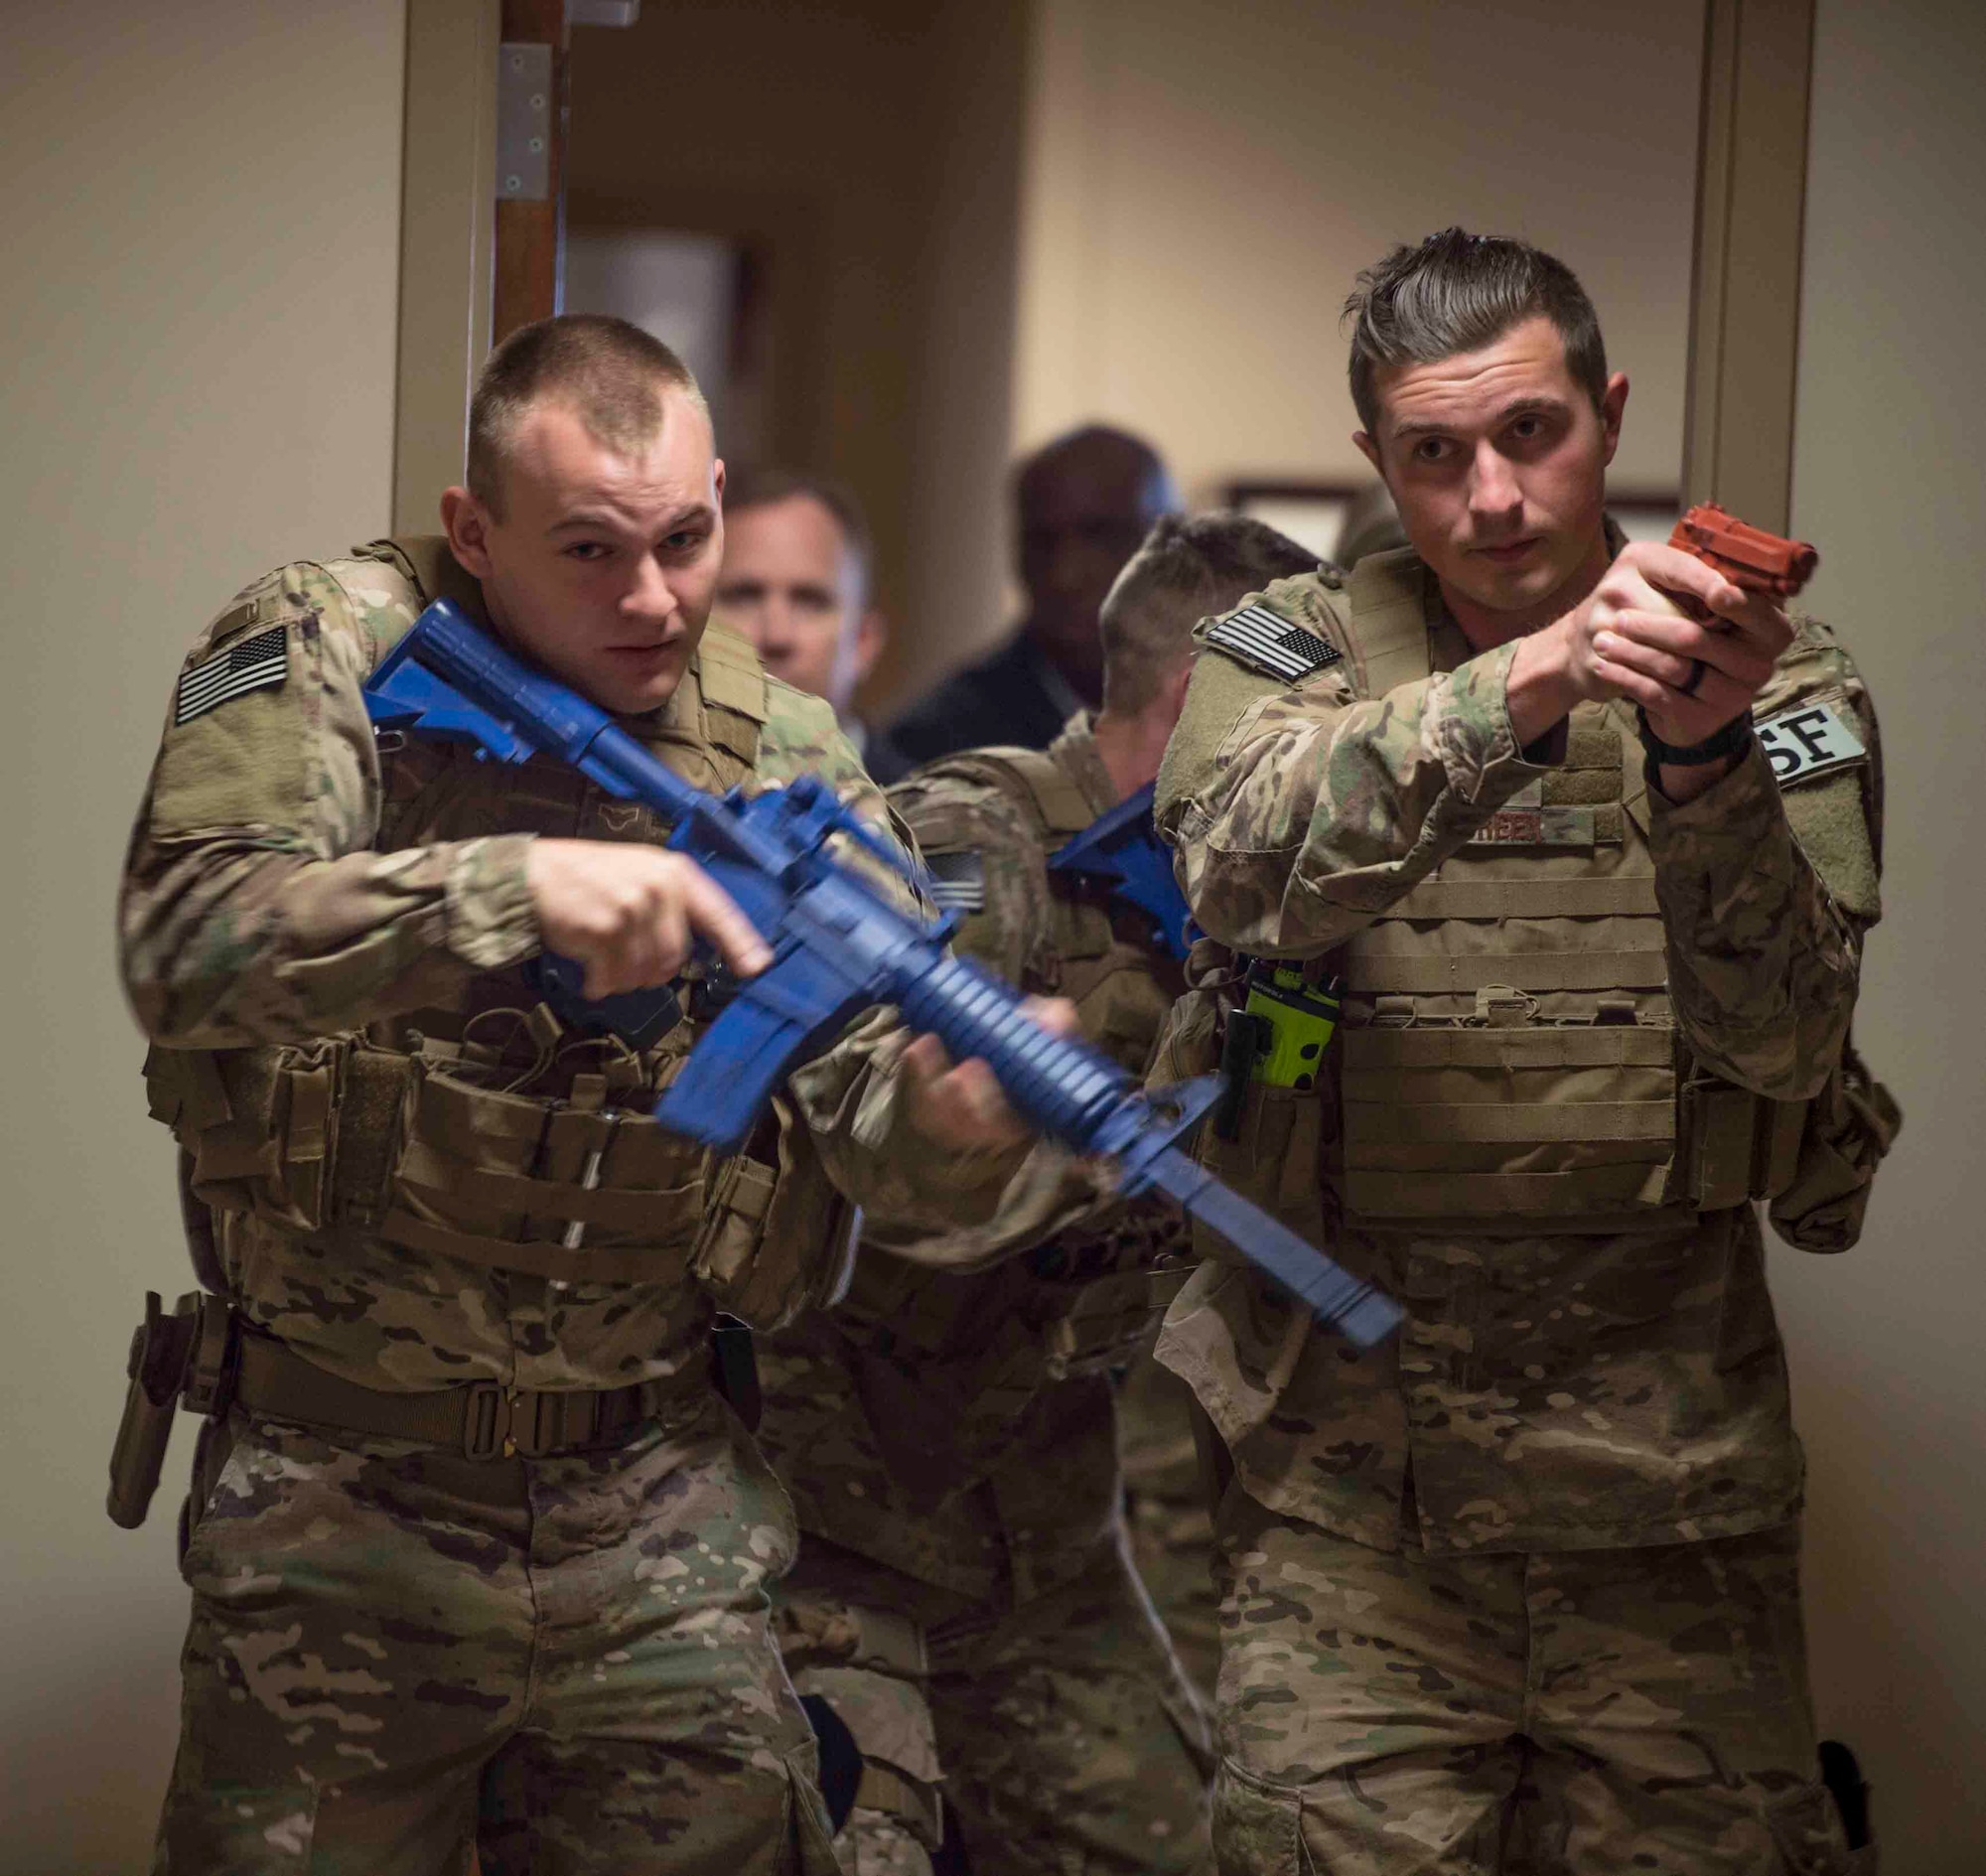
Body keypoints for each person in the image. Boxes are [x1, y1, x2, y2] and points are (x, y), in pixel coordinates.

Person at [117, 313, 1094, 1876]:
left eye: (686, 539)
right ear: (473, 531)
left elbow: (875, 1141)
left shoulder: (781, 746)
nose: (655, 600)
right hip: (339, 1509)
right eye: (588, 550)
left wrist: (955, 1125)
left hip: (658, 1511)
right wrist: (506, 891)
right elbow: (187, 941)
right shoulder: (331, 643)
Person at [1153, 229, 1887, 1873]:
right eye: (1435, 453)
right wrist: (1533, 682)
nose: (1490, 496)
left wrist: (1702, 777)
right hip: (1349, 1508)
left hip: (1670, 1508)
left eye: (1529, 434)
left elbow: (1790, 1035)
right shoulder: (1290, 648)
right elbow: (1229, 867)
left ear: (1608, 414)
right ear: (1375, 461)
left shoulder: (1781, 676)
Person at [757, 513, 1320, 1876]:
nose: (1334, 770)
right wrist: (1026, 1128)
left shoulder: (1252, 912)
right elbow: (896, 1188)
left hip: (1048, 1548)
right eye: (1318, 720)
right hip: (835, 1537)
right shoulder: (970, 839)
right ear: (1208, 700)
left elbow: (1271, 1155)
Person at [883, 425, 1176, 765]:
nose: (1066, 574)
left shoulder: (1235, 708)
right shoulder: (939, 744)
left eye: (1103, 536)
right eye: (1042, 543)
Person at [714, 466, 912, 784]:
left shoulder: (927, 825)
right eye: (744, 596)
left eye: (810, 601)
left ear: (863, 642)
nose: (777, 636)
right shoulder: (628, 807)